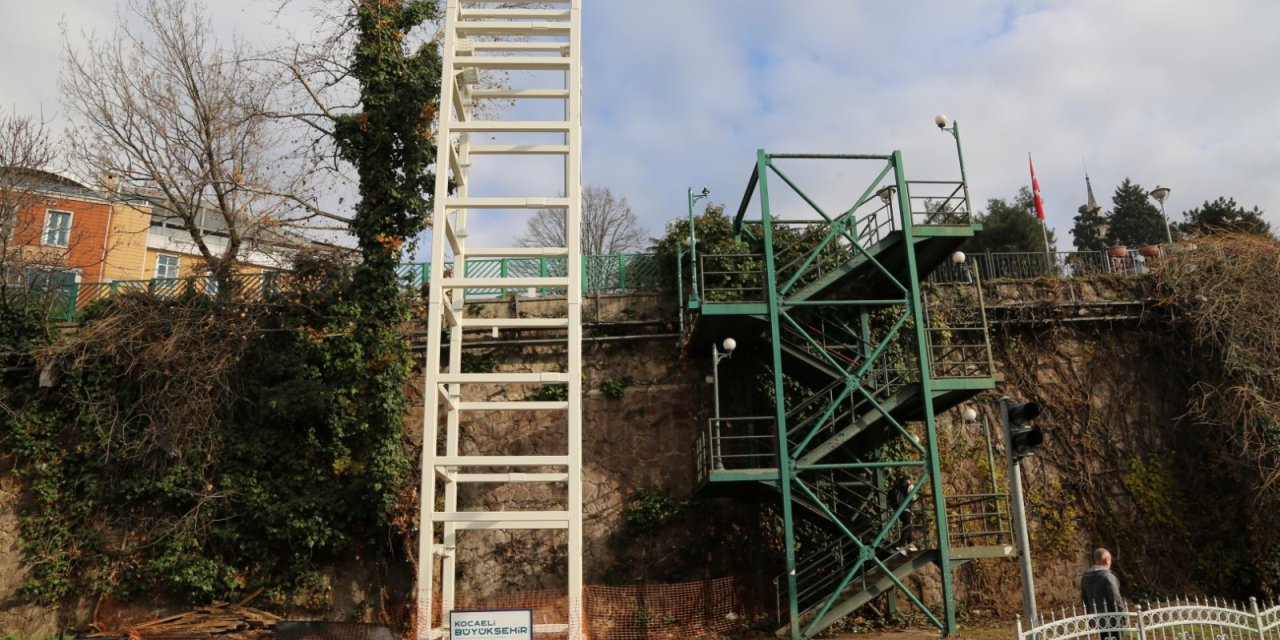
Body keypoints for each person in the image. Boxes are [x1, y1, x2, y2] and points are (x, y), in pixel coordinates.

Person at [1080, 548, 1125, 639]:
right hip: (1113, 619)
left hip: (1097, 618)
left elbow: (1084, 599)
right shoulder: (1108, 576)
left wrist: (1089, 617)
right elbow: (1115, 598)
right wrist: (1122, 615)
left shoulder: (1085, 577)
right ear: (1106, 561)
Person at [888, 477, 917, 555]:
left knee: (907, 525)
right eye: (910, 480)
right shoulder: (909, 486)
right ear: (908, 480)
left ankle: (910, 543)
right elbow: (914, 497)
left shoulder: (895, 488)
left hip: (898, 510)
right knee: (907, 525)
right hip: (906, 509)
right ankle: (901, 545)